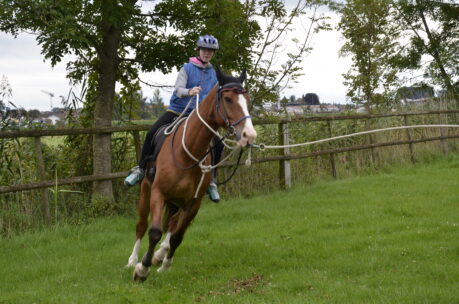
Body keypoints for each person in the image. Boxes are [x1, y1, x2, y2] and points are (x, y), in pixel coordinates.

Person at [124, 34, 223, 203]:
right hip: (178, 111)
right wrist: (189, 92)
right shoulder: (186, 68)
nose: (207, 53)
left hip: (199, 116)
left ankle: (211, 180)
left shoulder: (213, 73)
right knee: (153, 131)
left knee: (218, 143)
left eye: (210, 51)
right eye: (205, 50)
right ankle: (140, 168)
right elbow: (178, 89)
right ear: (198, 51)